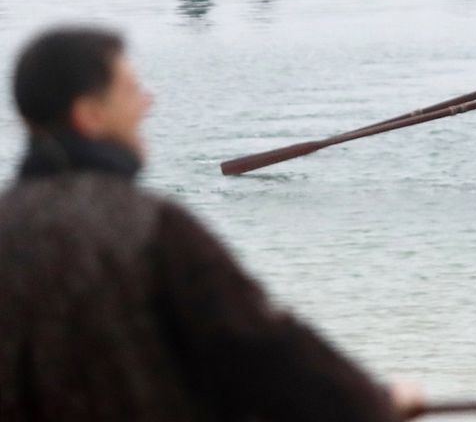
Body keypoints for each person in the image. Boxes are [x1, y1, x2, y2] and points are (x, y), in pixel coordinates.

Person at [0, 26, 427, 421]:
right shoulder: (150, 228)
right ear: (90, 115)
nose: (147, 102)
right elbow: (259, 348)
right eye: (129, 91)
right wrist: (373, 402)